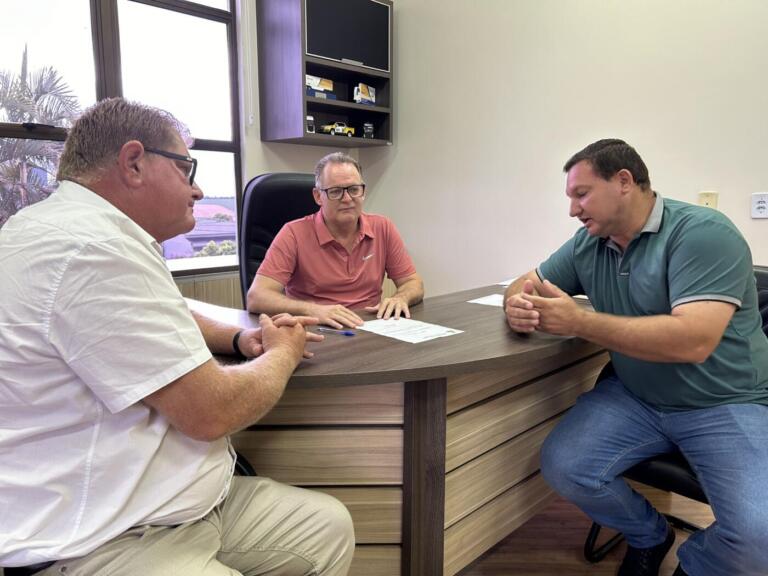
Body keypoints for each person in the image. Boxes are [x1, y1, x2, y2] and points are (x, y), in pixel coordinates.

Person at [0, 98, 354, 576]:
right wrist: (283, 353)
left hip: (180, 502)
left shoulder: (65, 228)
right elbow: (213, 410)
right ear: (133, 163)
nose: (198, 188)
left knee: (326, 527)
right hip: (99, 537)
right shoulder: (92, 249)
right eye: (186, 168)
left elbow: (166, 310)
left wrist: (237, 340)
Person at [504, 139, 768, 576]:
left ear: (624, 181)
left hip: (726, 401)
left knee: (759, 537)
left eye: (581, 194)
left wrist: (579, 322)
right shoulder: (588, 243)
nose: (573, 209)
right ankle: (649, 534)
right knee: (564, 466)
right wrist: (518, 304)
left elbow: (693, 340)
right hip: (637, 397)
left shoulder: (703, 233)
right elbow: (524, 283)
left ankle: (697, 563)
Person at [246, 152, 424, 328]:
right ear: (318, 196)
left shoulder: (383, 227)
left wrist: (400, 298)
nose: (347, 199)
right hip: (316, 330)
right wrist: (314, 310)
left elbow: (413, 283)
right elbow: (257, 296)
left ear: (363, 192)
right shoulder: (293, 233)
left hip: (371, 328)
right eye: (336, 191)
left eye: (354, 189)